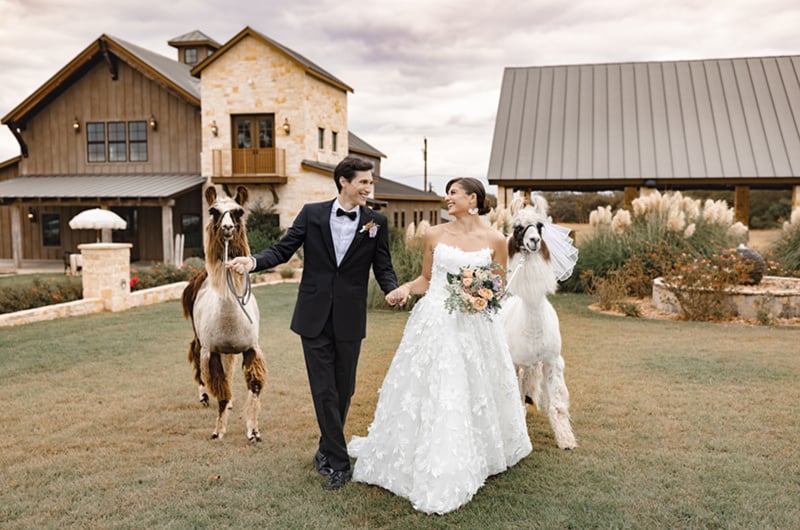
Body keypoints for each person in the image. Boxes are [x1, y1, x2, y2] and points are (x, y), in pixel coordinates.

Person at [348, 177, 532, 515]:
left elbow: (498, 285)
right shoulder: (433, 234)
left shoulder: (495, 239)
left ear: (472, 199)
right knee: (430, 386)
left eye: (453, 193)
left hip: (476, 326)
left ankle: (479, 450)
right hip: (434, 321)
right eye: (447, 194)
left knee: (472, 386)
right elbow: (427, 279)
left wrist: (477, 294)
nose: (447, 198)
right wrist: (404, 288)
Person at [227, 156, 399, 491]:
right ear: (343, 182)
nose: (369, 187)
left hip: (350, 318)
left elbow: (384, 266)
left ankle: (325, 450)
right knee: (323, 390)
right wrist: (252, 261)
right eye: (363, 181)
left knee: (343, 389)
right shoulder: (312, 213)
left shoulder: (376, 222)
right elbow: (283, 249)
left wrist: (392, 291)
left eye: (370, 182)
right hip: (314, 316)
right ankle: (338, 463)